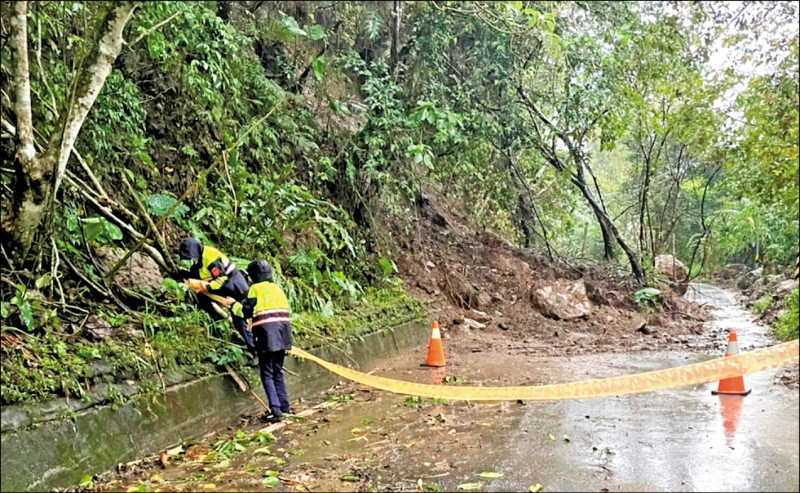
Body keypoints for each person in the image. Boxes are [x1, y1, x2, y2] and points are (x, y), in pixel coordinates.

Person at [230, 259, 293, 423]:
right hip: (283, 335)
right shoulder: (277, 289)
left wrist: (233, 306)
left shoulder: (255, 289)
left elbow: (246, 312)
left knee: (266, 372)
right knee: (277, 371)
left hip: (266, 336)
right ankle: (285, 407)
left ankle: (276, 411)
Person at [175, 238, 253, 352]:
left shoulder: (210, 258)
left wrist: (207, 287)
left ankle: (255, 350)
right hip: (225, 286)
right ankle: (215, 323)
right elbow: (199, 273)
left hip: (235, 287)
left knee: (239, 318)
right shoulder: (202, 257)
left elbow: (222, 279)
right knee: (202, 299)